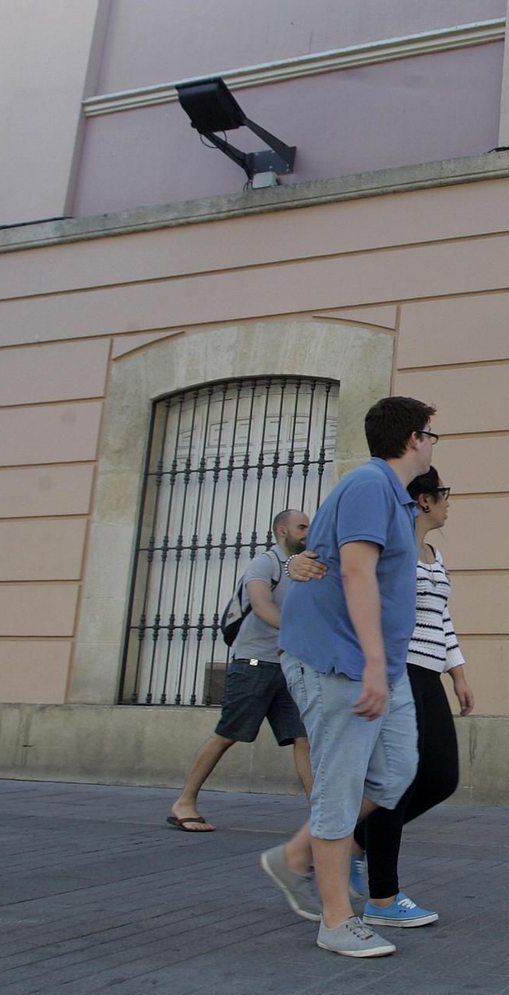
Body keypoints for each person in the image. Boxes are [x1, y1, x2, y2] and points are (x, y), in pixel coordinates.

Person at [257, 396, 436, 958]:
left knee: (398, 769)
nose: (434, 443)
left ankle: (295, 855)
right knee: (339, 785)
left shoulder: (393, 497)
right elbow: (357, 573)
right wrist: (375, 668)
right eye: (432, 434)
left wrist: (300, 560)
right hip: (340, 661)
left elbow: (328, 557)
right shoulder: (368, 485)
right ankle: (336, 921)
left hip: (376, 660)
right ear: (413, 438)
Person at [288, 467, 475, 928]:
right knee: (399, 781)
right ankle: (382, 896)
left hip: (430, 671)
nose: (450, 502)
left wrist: (460, 674)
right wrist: (293, 565)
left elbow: (442, 620)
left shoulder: (433, 554)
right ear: (424, 501)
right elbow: (340, 576)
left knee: (439, 778)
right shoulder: (391, 547)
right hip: (397, 666)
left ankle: (349, 845)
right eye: (444, 494)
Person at [167, 509, 312, 832]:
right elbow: (261, 607)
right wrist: (295, 635)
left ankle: (322, 817)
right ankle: (184, 801)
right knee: (226, 735)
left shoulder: (302, 569)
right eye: (301, 527)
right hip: (253, 666)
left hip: (288, 669)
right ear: (282, 532)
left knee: (304, 738)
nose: (307, 533)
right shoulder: (265, 564)